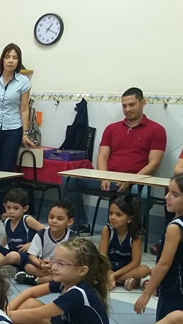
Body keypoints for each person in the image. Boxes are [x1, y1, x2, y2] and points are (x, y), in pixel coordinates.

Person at [65, 87, 167, 232]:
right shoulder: (112, 128)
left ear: (143, 102)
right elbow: (102, 156)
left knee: (144, 195)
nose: (127, 109)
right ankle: (79, 224)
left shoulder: (156, 130)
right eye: (124, 106)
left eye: (132, 105)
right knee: (70, 179)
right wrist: (103, 177)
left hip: (137, 181)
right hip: (109, 178)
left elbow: (154, 163)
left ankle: (131, 231)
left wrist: (131, 181)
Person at [10, 238, 111, 324]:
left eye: (61, 264)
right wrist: (6, 310)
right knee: (30, 303)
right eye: (54, 260)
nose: (53, 267)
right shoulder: (68, 279)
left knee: (32, 320)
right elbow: (30, 292)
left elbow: (34, 315)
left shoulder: (78, 293)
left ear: (82, 270)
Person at [134, 171, 183, 320]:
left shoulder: (174, 227)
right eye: (168, 192)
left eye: (175, 195)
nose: (167, 197)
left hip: (176, 287)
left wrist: (146, 293)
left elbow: (164, 264)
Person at [0, 43, 34, 219]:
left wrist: (25, 133)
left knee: (6, 169)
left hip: (14, 128)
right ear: (2, 59)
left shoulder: (23, 82)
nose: (10, 61)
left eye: (14, 57)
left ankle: (7, 208)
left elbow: (24, 108)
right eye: (7, 57)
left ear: (18, 61)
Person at [0, 187, 45, 278]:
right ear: (4, 206)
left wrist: (32, 244)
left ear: (25, 208)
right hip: (12, 253)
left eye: (16, 208)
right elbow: (7, 236)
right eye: (8, 208)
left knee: (12, 256)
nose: (11, 211)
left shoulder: (27, 220)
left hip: (27, 255)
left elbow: (46, 232)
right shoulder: (7, 221)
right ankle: (9, 266)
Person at [14, 200, 74, 285]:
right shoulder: (42, 233)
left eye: (59, 219)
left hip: (62, 267)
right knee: (29, 267)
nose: (54, 221)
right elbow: (31, 256)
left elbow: (74, 261)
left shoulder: (72, 238)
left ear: (70, 222)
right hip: (45, 267)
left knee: (70, 273)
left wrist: (55, 265)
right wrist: (40, 263)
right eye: (51, 217)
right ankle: (51, 279)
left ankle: (36, 280)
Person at [98, 195, 150, 290]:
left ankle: (113, 279)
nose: (113, 217)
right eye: (111, 213)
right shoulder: (107, 230)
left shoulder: (136, 235)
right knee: (92, 266)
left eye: (118, 215)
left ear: (129, 219)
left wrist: (114, 275)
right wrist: (109, 272)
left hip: (126, 269)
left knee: (144, 269)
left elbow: (135, 262)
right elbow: (102, 257)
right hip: (108, 267)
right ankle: (123, 280)